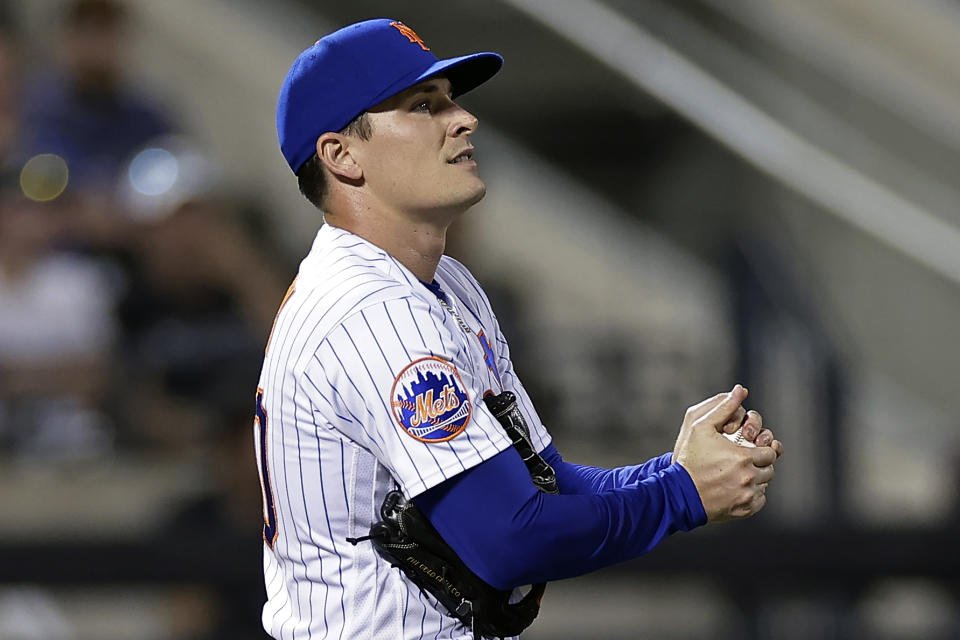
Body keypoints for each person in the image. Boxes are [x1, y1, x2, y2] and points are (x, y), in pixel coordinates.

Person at [256, 18, 783, 640]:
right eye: (424, 105)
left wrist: (674, 470)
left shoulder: (443, 284)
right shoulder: (370, 308)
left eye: (452, 99)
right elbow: (509, 539)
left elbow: (548, 478)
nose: (463, 119)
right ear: (341, 155)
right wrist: (682, 495)